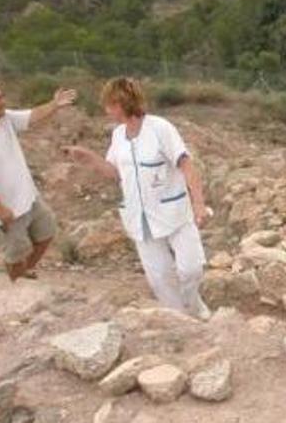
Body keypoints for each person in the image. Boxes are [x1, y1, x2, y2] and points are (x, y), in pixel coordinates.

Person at [63, 77, 211, 320]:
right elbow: (114, 172)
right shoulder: (118, 135)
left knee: (191, 268)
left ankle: (194, 305)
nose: (106, 110)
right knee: (159, 278)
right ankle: (179, 320)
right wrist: (87, 157)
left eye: (110, 104)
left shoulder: (160, 128)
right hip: (139, 217)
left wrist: (198, 203)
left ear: (123, 103)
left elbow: (186, 164)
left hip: (174, 211)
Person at [0, 79, 77, 281]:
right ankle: (14, 287)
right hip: (5, 212)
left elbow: (32, 116)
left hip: (29, 199)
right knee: (15, 256)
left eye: (2, 96)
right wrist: (0, 209)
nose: (3, 101)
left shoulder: (5, 119)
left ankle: (23, 274)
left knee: (47, 233)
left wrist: (55, 105)